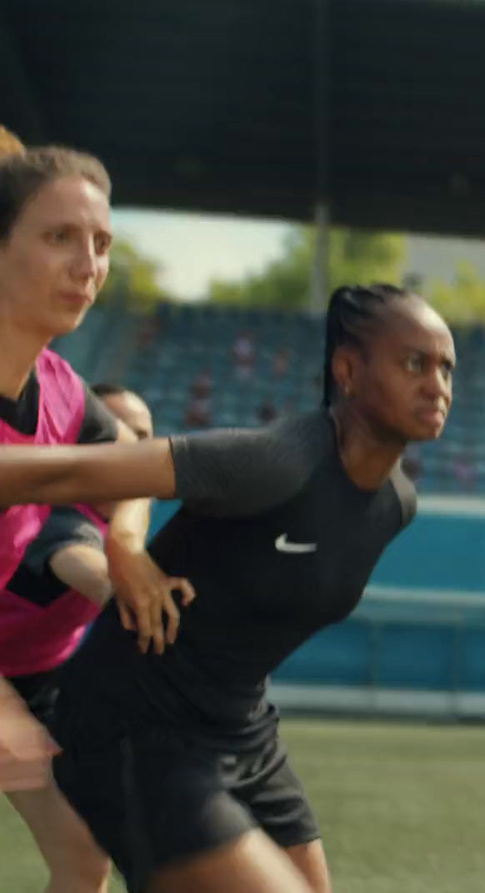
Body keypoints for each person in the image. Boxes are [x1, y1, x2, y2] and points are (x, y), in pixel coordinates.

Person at [0, 283, 452, 893]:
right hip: (132, 727)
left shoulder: (396, 506)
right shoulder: (274, 461)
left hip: (242, 731)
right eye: (413, 363)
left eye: (446, 367)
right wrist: (124, 547)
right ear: (347, 370)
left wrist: (127, 543)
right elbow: (80, 468)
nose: (436, 384)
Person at [0, 130, 183, 893]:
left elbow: (135, 469)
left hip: (24, 667)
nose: (89, 264)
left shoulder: (66, 389)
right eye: (60, 237)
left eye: (102, 241)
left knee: (83, 855)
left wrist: (127, 548)